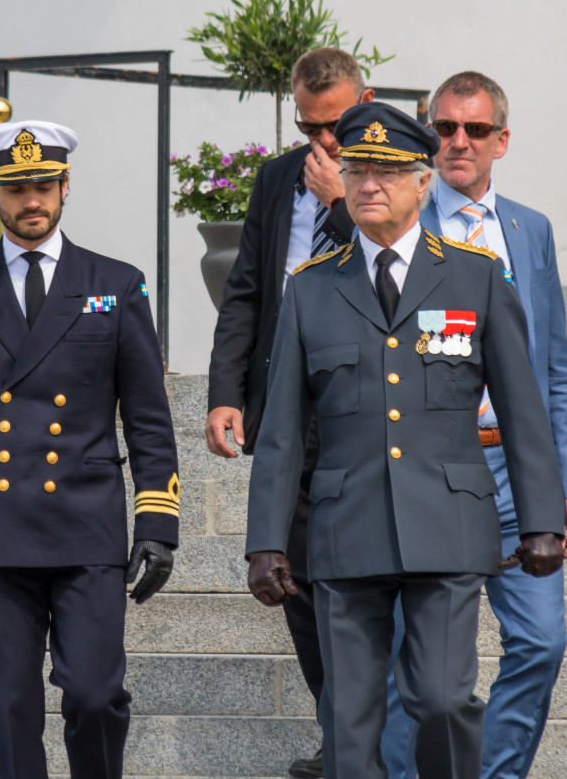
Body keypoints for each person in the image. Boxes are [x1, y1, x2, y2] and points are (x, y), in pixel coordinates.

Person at [246, 102, 566, 779]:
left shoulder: (477, 276)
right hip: (346, 527)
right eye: (358, 170)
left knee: (442, 700)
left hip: (448, 523)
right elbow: (280, 431)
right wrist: (266, 541)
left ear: (423, 183)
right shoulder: (311, 288)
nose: (368, 185)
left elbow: (522, 409)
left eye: (387, 173)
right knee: (349, 719)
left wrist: (542, 518)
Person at [0, 119, 179, 779]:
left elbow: (147, 418)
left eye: (44, 187)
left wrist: (157, 521)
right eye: (16, 189)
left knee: (94, 694)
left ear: (65, 187)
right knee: (8, 709)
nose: (32, 201)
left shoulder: (116, 283)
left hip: (86, 526)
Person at [382, 72, 567, 779]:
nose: (458, 142)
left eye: (474, 130)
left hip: (515, 476)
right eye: (445, 128)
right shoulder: (403, 223)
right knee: (413, 663)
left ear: (502, 140)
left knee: (541, 641)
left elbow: (554, 366)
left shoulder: (530, 230)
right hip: (431, 472)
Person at [205, 47, 374, 778]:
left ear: (365, 102)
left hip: (361, 411)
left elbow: (392, 272)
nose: (323, 141)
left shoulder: (390, 175)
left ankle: (367, 743)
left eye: (335, 124)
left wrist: (340, 201)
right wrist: (225, 390)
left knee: (360, 588)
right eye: (309, 126)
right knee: (294, 581)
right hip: (284, 409)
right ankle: (341, 735)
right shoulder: (277, 178)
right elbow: (246, 289)